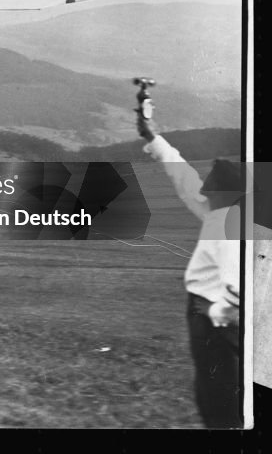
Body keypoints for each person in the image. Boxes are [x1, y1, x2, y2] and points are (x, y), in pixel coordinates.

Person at [138, 112, 243, 428]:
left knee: (217, 396)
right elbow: (185, 181)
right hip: (213, 311)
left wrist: (220, 316)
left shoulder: (228, 225)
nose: (204, 191)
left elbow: (236, 288)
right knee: (218, 389)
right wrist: (154, 140)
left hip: (214, 315)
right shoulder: (224, 210)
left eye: (210, 187)